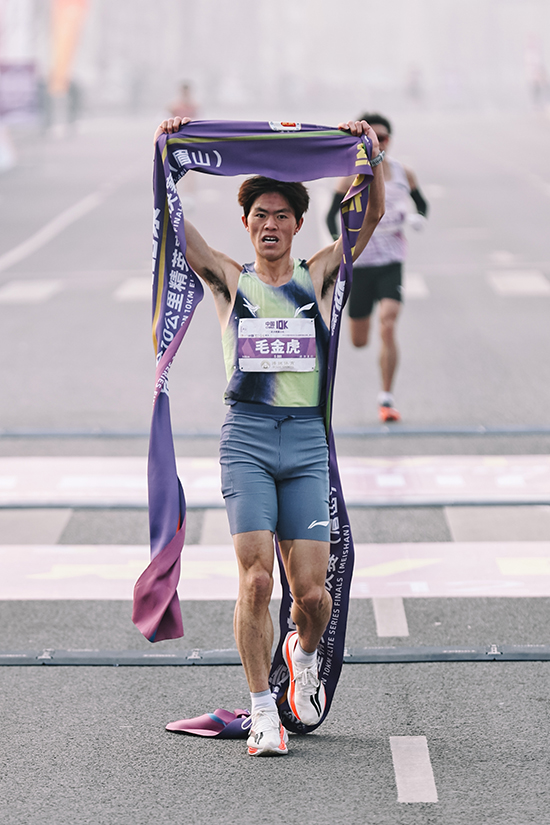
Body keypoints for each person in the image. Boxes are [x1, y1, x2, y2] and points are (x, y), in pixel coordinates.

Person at [154, 115, 385, 756]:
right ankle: (263, 711)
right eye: (260, 213)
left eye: (282, 215)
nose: (271, 224)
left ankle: (302, 653)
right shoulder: (233, 281)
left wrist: (372, 161)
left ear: (297, 225)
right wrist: (165, 152)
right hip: (248, 442)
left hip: (305, 444)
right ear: (249, 223)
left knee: (312, 594)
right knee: (256, 581)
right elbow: (178, 231)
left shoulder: (317, 275)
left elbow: (366, 223)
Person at [327, 112, 428, 422]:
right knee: (359, 340)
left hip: (391, 262)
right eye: (373, 137)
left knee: (388, 322)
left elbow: (421, 204)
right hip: (360, 264)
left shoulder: (403, 173)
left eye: (383, 138)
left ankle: (386, 397)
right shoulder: (350, 177)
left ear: (389, 141)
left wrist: (418, 218)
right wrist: (342, 247)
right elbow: (329, 216)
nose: (379, 143)